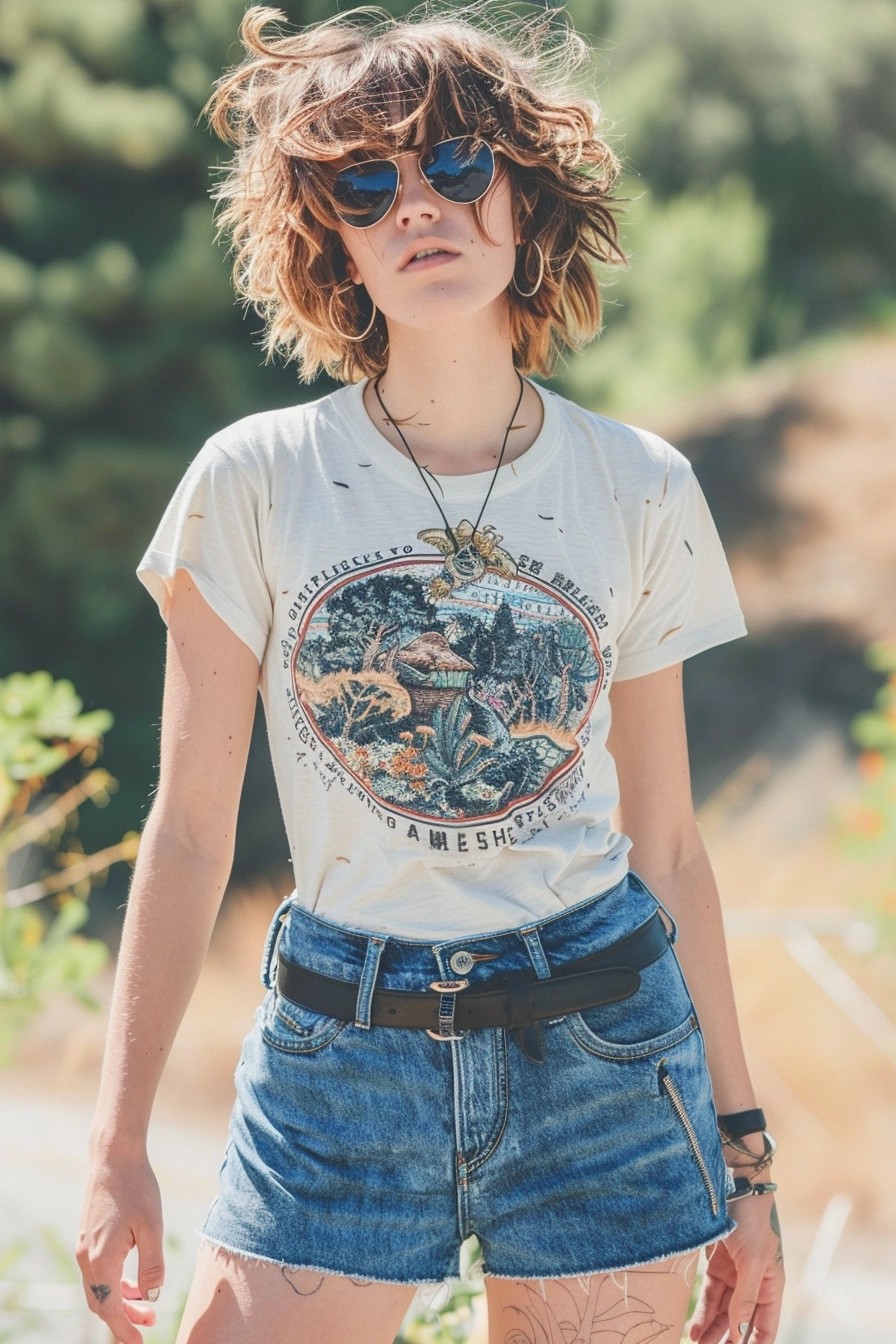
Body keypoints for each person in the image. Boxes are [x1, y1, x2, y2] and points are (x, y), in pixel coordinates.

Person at [76, 5, 785, 1343]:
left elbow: (674, 848)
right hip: (341, 1046)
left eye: (458, 165)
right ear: (331, 238)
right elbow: (186, 834)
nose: (420, 203)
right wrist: (118, 1146)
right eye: (366, 182)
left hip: (604, 1049)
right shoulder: (255, 479)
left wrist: (749, 1165)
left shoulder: (639, 484)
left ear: (523, 197)